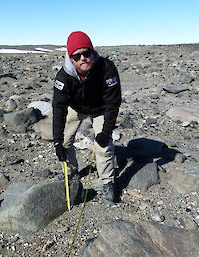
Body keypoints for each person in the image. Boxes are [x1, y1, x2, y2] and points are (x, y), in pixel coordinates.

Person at [52, 31, 121, 202]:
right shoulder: (64, 76)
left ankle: (107, 181)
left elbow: (113, 102)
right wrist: (57, 141)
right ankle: (71, 172)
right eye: (77, 55)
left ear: (93, 52)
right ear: (71, 58)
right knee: (65, 141)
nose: (82, 58)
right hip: (76, 108)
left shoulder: (107, 68)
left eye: (86, 53)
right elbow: (58, 108)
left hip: (100, 109)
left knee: (104, 145)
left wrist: (106, 132)